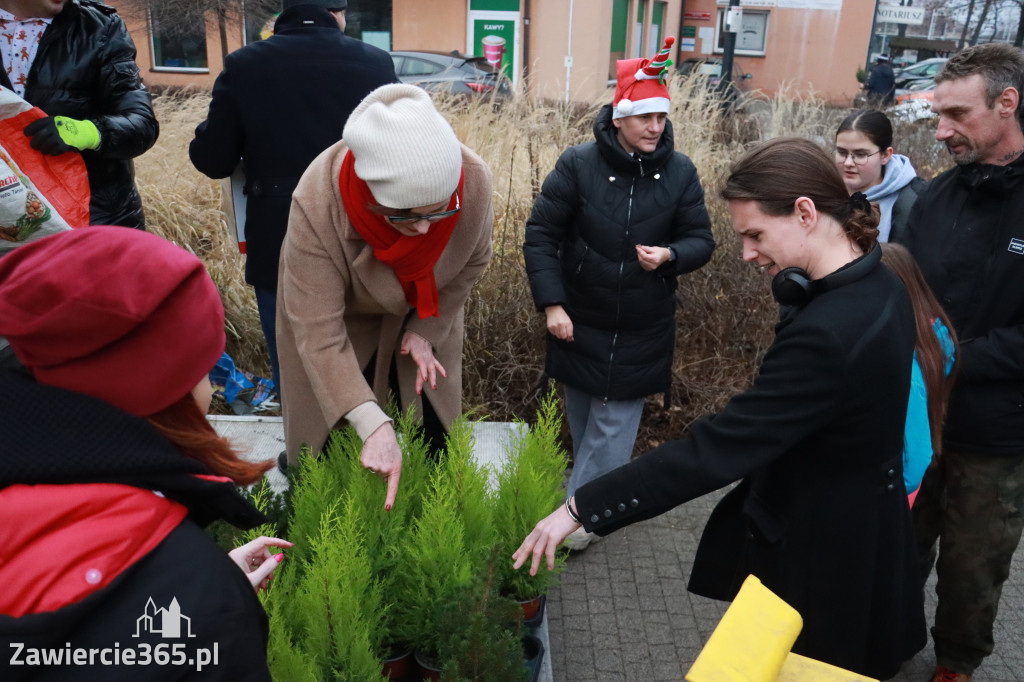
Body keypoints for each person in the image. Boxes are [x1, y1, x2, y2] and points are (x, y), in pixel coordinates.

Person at [513, 138, 927, 679]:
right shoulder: (881, 283)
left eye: (754, 234)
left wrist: (580, 508)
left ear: (805, 212)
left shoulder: (829, 332)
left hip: (822, 563)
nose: (749, 254)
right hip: (870, 534)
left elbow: (717, 448)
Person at [0, 226, 284, 680]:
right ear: (164, 386)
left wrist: (166, 589)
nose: (211, 389)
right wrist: (195, 599)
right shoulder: (206, 603)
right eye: (205, 367)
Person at [523, 36, 714, 551]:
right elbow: (541, 234)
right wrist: (553, 304)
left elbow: (703, 240)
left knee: (612, 428)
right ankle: (580, 505)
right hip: (578, 318)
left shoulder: (680, 171)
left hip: (642, 326)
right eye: (646, 117)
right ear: (619, 118)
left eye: (662, 118)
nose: (657, 127)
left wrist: (671, 256)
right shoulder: (577, 164)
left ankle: (577, 524)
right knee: (585, 421)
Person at [276, 83, 493, 511]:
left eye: (439, 211)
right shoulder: (317, 200)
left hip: (425, 315)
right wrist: (371, 421)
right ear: (373, 195)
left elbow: (472, 262)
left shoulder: (473, 182)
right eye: (406, 217)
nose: (427, 230)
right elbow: (317, 330)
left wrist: (426, 329)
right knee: (334, 464)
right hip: (340, 329)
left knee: (435, 446)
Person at [189, 0, 397, 394]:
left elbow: (213, 159)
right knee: (359, 350)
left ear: (281, 14)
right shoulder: (376, 63)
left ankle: (303, 450)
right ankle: (366, 442)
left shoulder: (244, 64)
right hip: (359, 226)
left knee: (292, 350)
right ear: (338, 14)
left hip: (277, 229)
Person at [903, 42, 1024, 682]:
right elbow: (900, 290)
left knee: (974, 565)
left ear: (1007, 104)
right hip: (917, 420)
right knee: (897, 547)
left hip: (998, 434)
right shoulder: (935, 198)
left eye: (955, 114)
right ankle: (884, 639)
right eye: (937, 113)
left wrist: (950, 358)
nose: (941, 129)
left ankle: (956, 663)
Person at [0, 0, 158, 229]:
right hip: (9, 231)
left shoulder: (100, 27)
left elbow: (142, 124)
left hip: (96, 223)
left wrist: (88, 132)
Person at [879, 242, 957, 504]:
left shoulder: (908, 363)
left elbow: (917, 454)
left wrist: (887, 498)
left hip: (888, 498)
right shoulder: (932, 336)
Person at [834, 109, 926, 243]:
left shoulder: (912, 202)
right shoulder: (823, 193)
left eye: (860, 155)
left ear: (885, 155)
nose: (848, 163)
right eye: (842, 153)